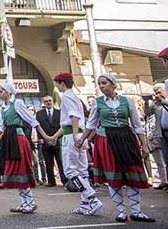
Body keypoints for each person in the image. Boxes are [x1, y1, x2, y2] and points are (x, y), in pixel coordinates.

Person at [81, 73, 155, 223]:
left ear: (113, 84)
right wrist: (82, 140)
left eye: (104, 83)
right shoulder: (97, 102)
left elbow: (137, 125)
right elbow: (91, 124)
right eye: (99, 84)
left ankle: (136, 211)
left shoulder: (127, 101)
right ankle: (121, 211)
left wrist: (144, 145)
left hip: (126, 138)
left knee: (131, 172)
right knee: (113, 175)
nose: (101, 86)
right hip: (106, 139)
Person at [45, 72, 101, 216]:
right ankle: (86, 204)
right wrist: (54, 137)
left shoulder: (67, 97)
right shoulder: (74, 97)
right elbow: (67, 123)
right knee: (82, 171)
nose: (56, 86)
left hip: (72, 136)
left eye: (57, 83)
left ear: (62, 83)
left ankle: (91, 198)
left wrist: (75, 135)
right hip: (78, 134)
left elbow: (73, 117)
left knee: (70, 171)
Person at [0, 82, 52, 214]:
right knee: (16, 170)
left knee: (21, 169)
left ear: (8, 92)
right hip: (9, 138)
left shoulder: (17, 104)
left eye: (1, 91)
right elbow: (0, 126)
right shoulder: (3, 108)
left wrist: (46, 136)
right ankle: (25, 203)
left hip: (18, 139)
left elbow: (32, 120)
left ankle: (30, 203)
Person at [36, 96, 64, 187]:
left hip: (58, 140)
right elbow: (38, 127)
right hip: (45, 141)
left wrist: (56, 138)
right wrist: (42, 138)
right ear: (43, 103)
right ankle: (51, 181)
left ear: (52, 101)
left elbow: (62, 126)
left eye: (50, 101)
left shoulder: (59, 113)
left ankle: (64, 180)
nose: (48, 102)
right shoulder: (39, 114)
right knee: (48, 162)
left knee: (60, 161)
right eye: (46, 101)